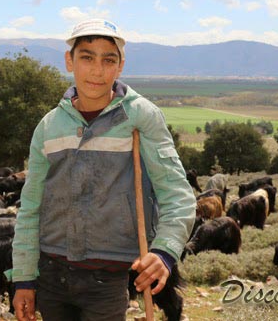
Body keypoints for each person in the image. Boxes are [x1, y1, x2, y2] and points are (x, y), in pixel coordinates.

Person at [10, 18, 196, 321]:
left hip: (107, 278)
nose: (98, 71)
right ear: (69, 61)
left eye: (108, 60)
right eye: (87, 58)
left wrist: (164, 251)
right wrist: (24, 279)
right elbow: (31, 208)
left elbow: (177, 194)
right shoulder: (48, 126)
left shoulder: (140, 116)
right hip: (51, 276)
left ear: (120, 66)